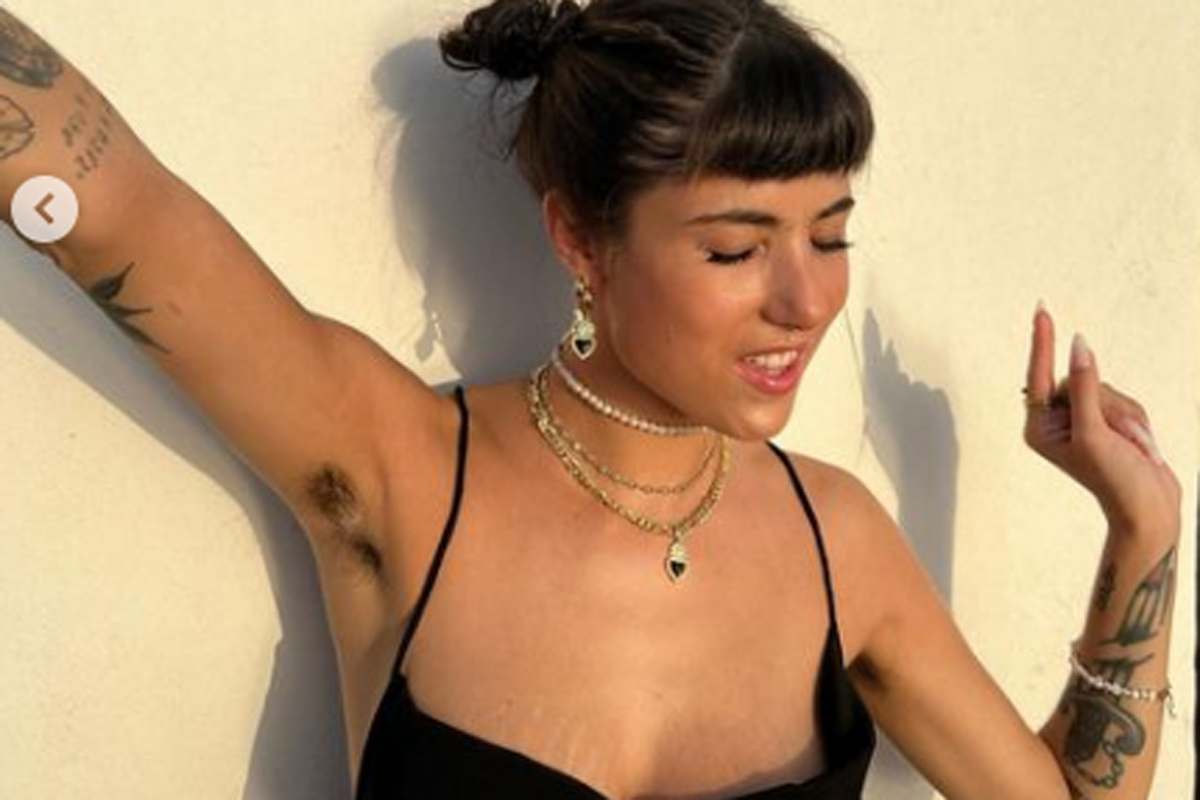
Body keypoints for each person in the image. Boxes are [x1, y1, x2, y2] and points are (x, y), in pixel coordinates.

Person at [0, 1, 1182, 799]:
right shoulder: (402, 464)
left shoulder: (840, 542)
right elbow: (119, 213)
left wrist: (1143, 529)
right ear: (580, 237)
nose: (805, 300)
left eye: (830, 235)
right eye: (735, 248)